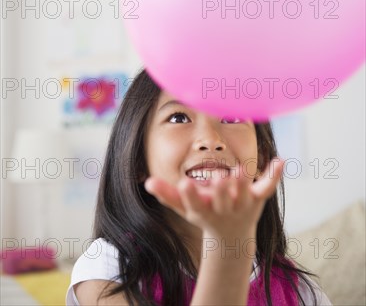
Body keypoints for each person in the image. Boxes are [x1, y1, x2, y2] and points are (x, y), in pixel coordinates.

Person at [66, 67, 332, 306]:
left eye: (231, 117)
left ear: (261, 159)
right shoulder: (108, 267)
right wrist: (228, 245)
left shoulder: (301, 292)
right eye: (179, 117)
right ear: (137, 161)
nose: (210, 140)